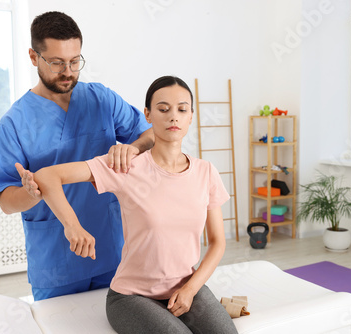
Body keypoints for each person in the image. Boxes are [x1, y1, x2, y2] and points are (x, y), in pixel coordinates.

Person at [33, 76, 238, 333]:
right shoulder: (126, 166)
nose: (173, 116)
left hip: (186, 287)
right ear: (148, 115)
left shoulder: (206, 172)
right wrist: (72, 226)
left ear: (191, 117)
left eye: (182, 109)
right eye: (163, 109)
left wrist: (190, 289)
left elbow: (218, 242)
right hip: (131, 297)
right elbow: (47, 176)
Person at [0, 11, 154, 301]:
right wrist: (31, 194)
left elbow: (150, 135)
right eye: (57, 63)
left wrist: (132, 148)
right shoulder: (14, 123)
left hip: (110, 245)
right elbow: (6, 202)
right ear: (33, 56)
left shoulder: (101, 99)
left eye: (75, 62)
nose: (68, 72)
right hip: (55, 260)